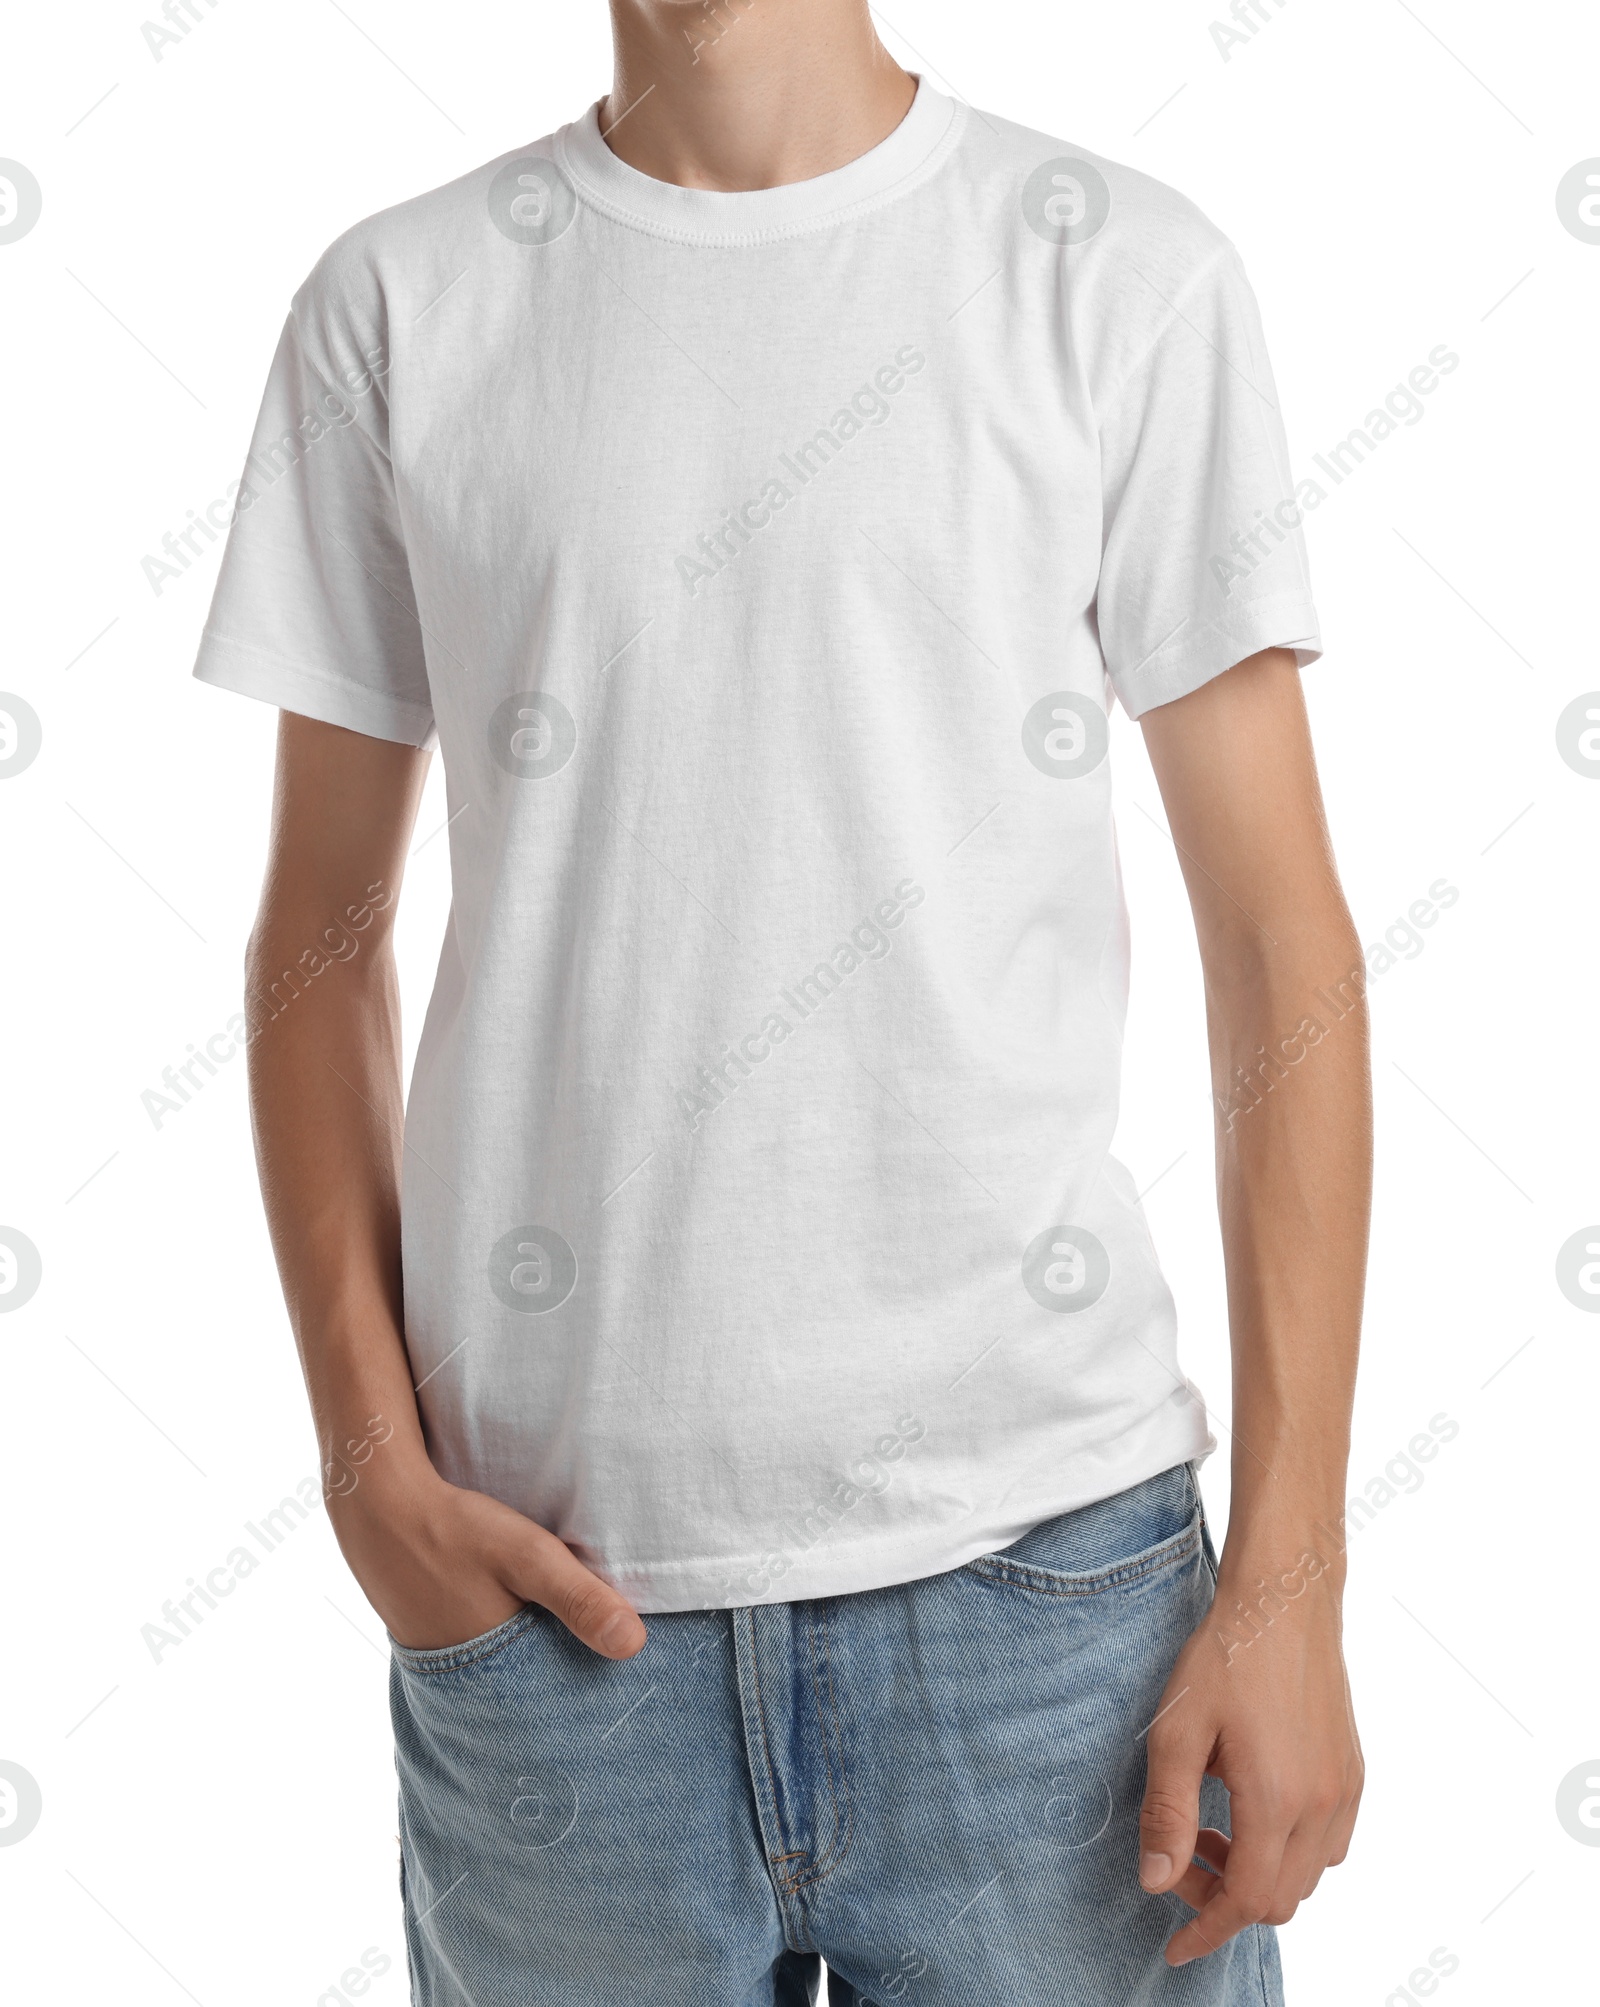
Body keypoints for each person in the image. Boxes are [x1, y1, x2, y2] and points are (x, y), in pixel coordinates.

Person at [195, 1, 1369, 1998]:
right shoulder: (397, 305)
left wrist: (1285, 1580)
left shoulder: (1111, 270)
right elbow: (318, 931)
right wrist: (367, 1463)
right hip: (555, 1616)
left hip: (1050, 1608)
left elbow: (1281, 947)